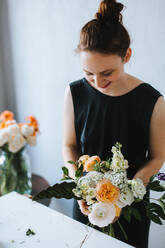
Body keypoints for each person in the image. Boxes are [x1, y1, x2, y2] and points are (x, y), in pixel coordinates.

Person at [62, 0, 165, 247]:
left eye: (107, 73)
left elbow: (157, 156)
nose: (97, 82)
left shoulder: (153, 101)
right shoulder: (74, 93)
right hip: (87, 205)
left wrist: (130, 189)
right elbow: (69, 145)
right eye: (88, 73)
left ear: (126, 55)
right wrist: (80, 186)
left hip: (132, 209)